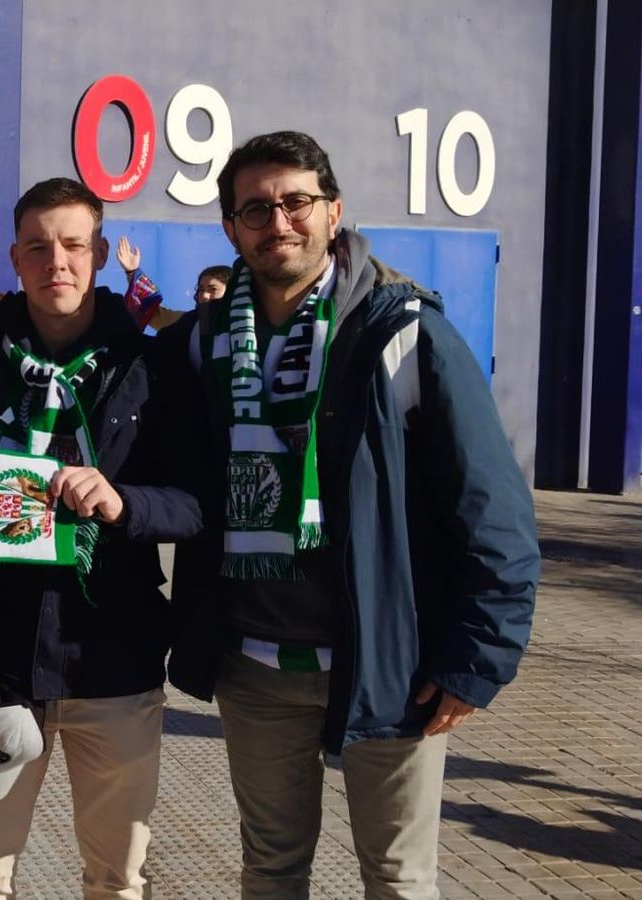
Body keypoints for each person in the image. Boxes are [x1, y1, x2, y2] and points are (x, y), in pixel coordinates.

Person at [163, 130, 540, 899]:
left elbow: (492, 508)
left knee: (397, 878)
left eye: (297, 202)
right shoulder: (203, 343)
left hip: (389, 667)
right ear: (231, 227)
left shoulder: (402, 332)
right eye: (257, 208)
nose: (280, 222)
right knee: (270, 871)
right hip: (255, 667)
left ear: (334, 213)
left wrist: (475, 659)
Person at [0, 177, 204, 900]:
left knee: (117, 879)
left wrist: (124, 502)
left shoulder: (151, 366)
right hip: (2, 662)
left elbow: (195, 506)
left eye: (72, 244)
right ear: (16, 260)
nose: (55, 260)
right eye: (37, 247)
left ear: (96, 254)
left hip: (114, 659)